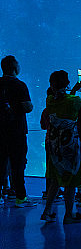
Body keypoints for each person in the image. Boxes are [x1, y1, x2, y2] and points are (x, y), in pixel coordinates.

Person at [40, 71, 81, 224]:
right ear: (66, 83)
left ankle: (47, 210)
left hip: (54, 146)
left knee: (55, 178)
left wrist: (73, 89)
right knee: (70, 179)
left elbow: (65, 100)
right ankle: (69, 214)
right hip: (70, 146)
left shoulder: (50, 100)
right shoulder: (75, 101)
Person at [0, 55, 34, 207]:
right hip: (16, 131)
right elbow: (27, 107)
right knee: (17, 164)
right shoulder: (20, 85)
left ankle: (1, 195)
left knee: (1, 163)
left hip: (0, 132)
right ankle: (20, 197)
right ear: (14, 67)